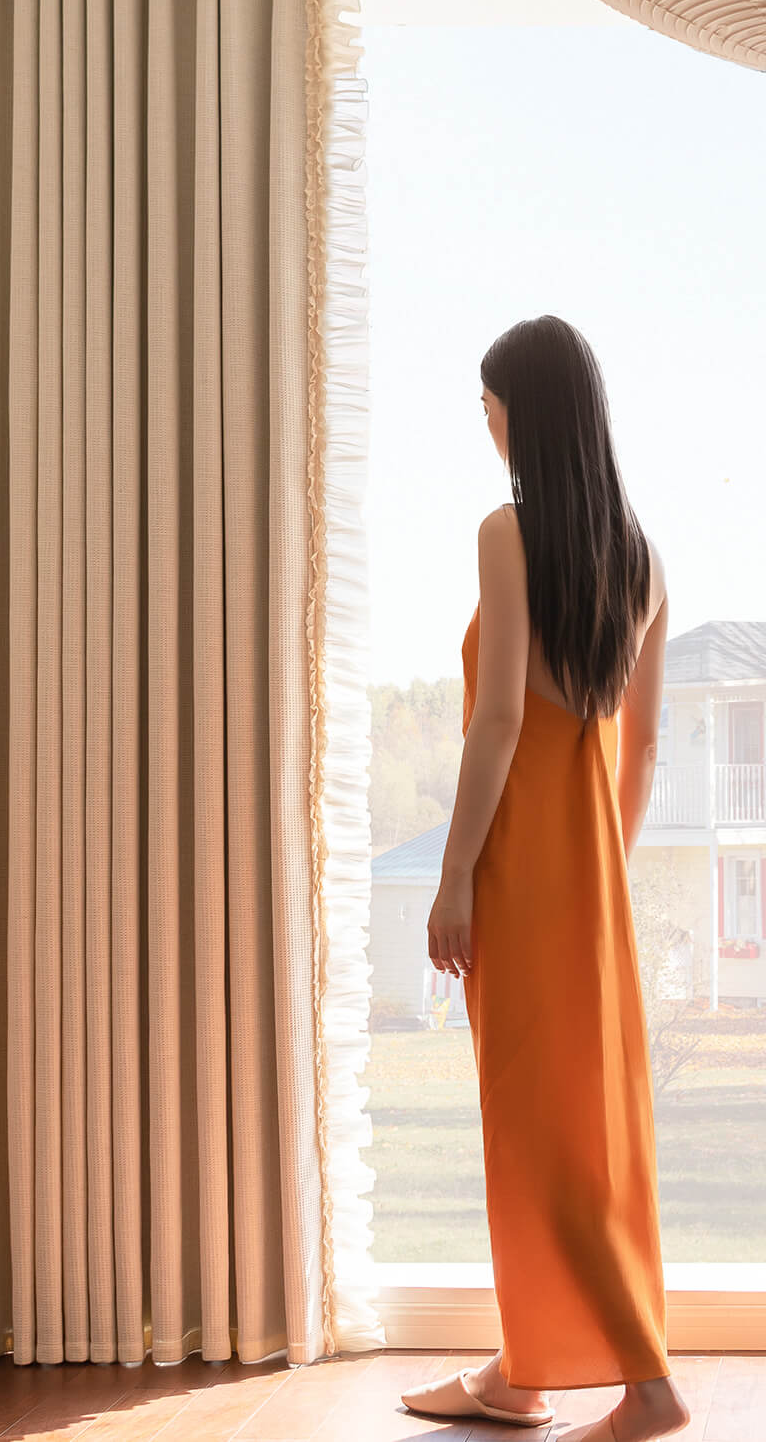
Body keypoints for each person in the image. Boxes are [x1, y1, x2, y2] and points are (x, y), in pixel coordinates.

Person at [399, 316, 691, 1442]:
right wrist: (601, 878)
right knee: (584, 1124)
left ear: (528, 413)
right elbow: (646, 743)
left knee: (538, 1127)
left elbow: (501, 720)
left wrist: (456, 874)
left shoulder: (506, 534)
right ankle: (523, 1372)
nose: (486, 426)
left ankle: (649, 1387)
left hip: (520, 876)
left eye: (491, 407)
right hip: (593, 885)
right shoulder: (649, 559)